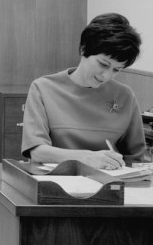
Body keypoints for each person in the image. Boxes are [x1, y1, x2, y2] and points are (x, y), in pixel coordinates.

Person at [21, 12, 146, 170]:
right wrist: (86, 158)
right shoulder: (43, 88)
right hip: (54, 183)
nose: (106, 76)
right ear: (83, 49)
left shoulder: (125, 95)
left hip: (109, 186)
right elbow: (37, 151)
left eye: (117, 70)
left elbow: (136, 159)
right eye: (103, 64)